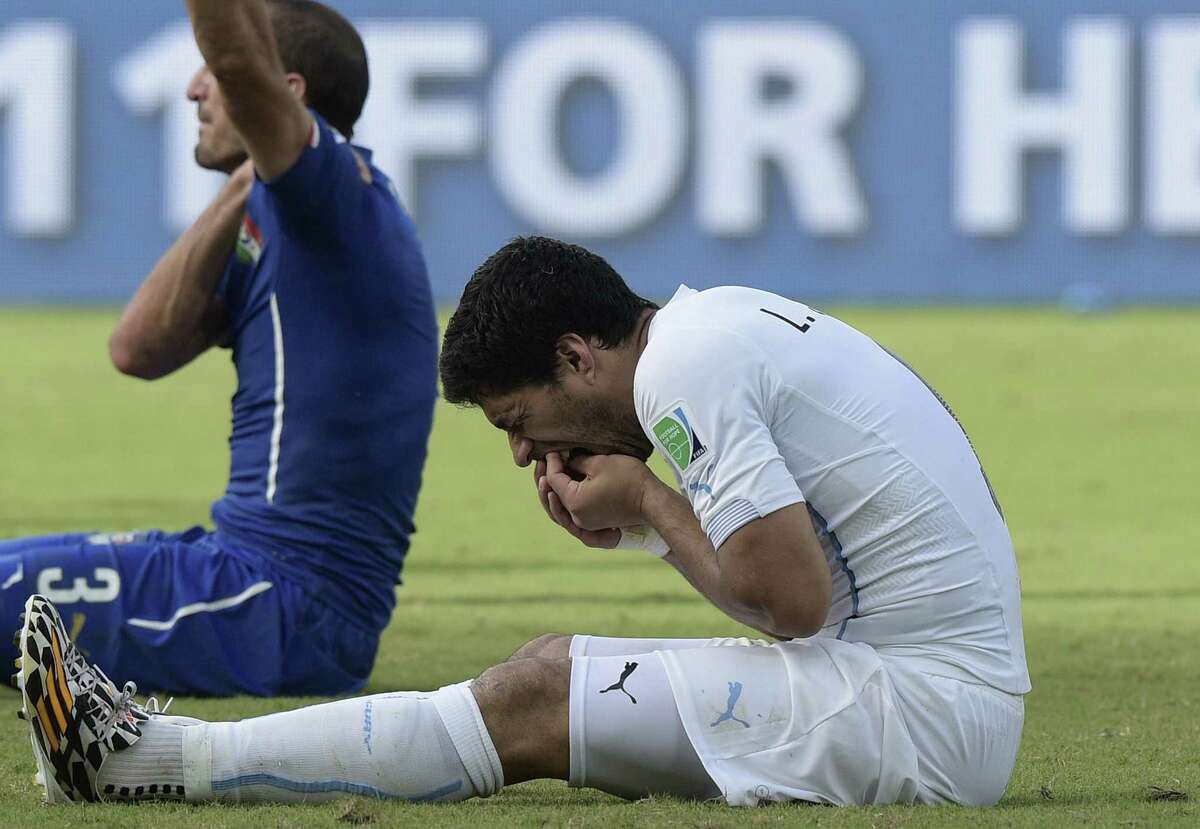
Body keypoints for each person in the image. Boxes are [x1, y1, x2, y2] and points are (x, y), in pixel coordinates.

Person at [15, 236, 1027, 807]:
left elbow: (790, 603)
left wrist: (644, 500)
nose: (521, 451)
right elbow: (799, 580)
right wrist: (645, 519)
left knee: (537, 695)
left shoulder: (687, 368)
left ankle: (148, 761)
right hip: (919, 683)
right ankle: (150, 753)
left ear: (579, 357)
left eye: (517, 419)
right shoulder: (709, 327)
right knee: (549, 663)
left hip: (928, 714)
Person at [1, 0, 438, 696]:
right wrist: (247, 178)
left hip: (280, 602)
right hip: (250, 575)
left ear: (283, 94)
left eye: (211, 74)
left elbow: (239, 58)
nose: (194, 89)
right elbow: (137, 348)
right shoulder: (282, 207)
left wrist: (256, 117)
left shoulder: (334, 198)